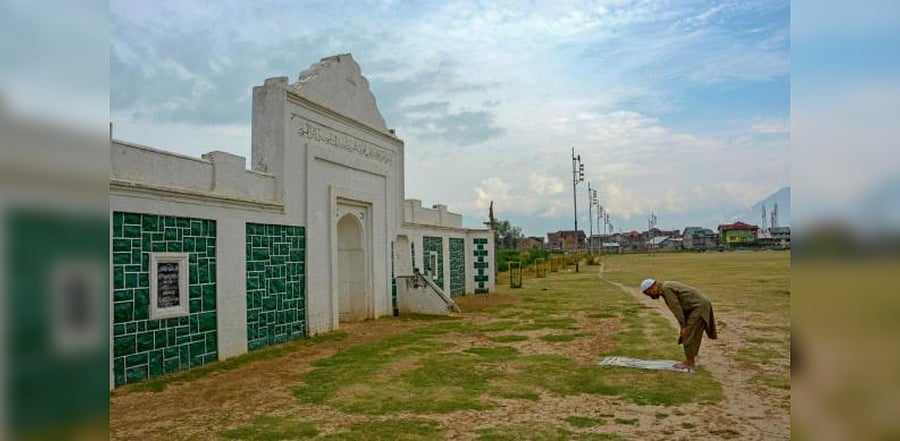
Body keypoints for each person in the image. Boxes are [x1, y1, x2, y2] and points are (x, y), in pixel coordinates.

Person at [640, 278, 717, 370]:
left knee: (687, 334)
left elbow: (676, 308)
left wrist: (683, 326)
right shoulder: (665, 286)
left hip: (698, 308)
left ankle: (689, 363)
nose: (650, 296)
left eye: (649, 293)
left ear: (653, 288)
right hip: (696, 307)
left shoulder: (666, 289)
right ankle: (689, 360)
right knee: (688, 334)